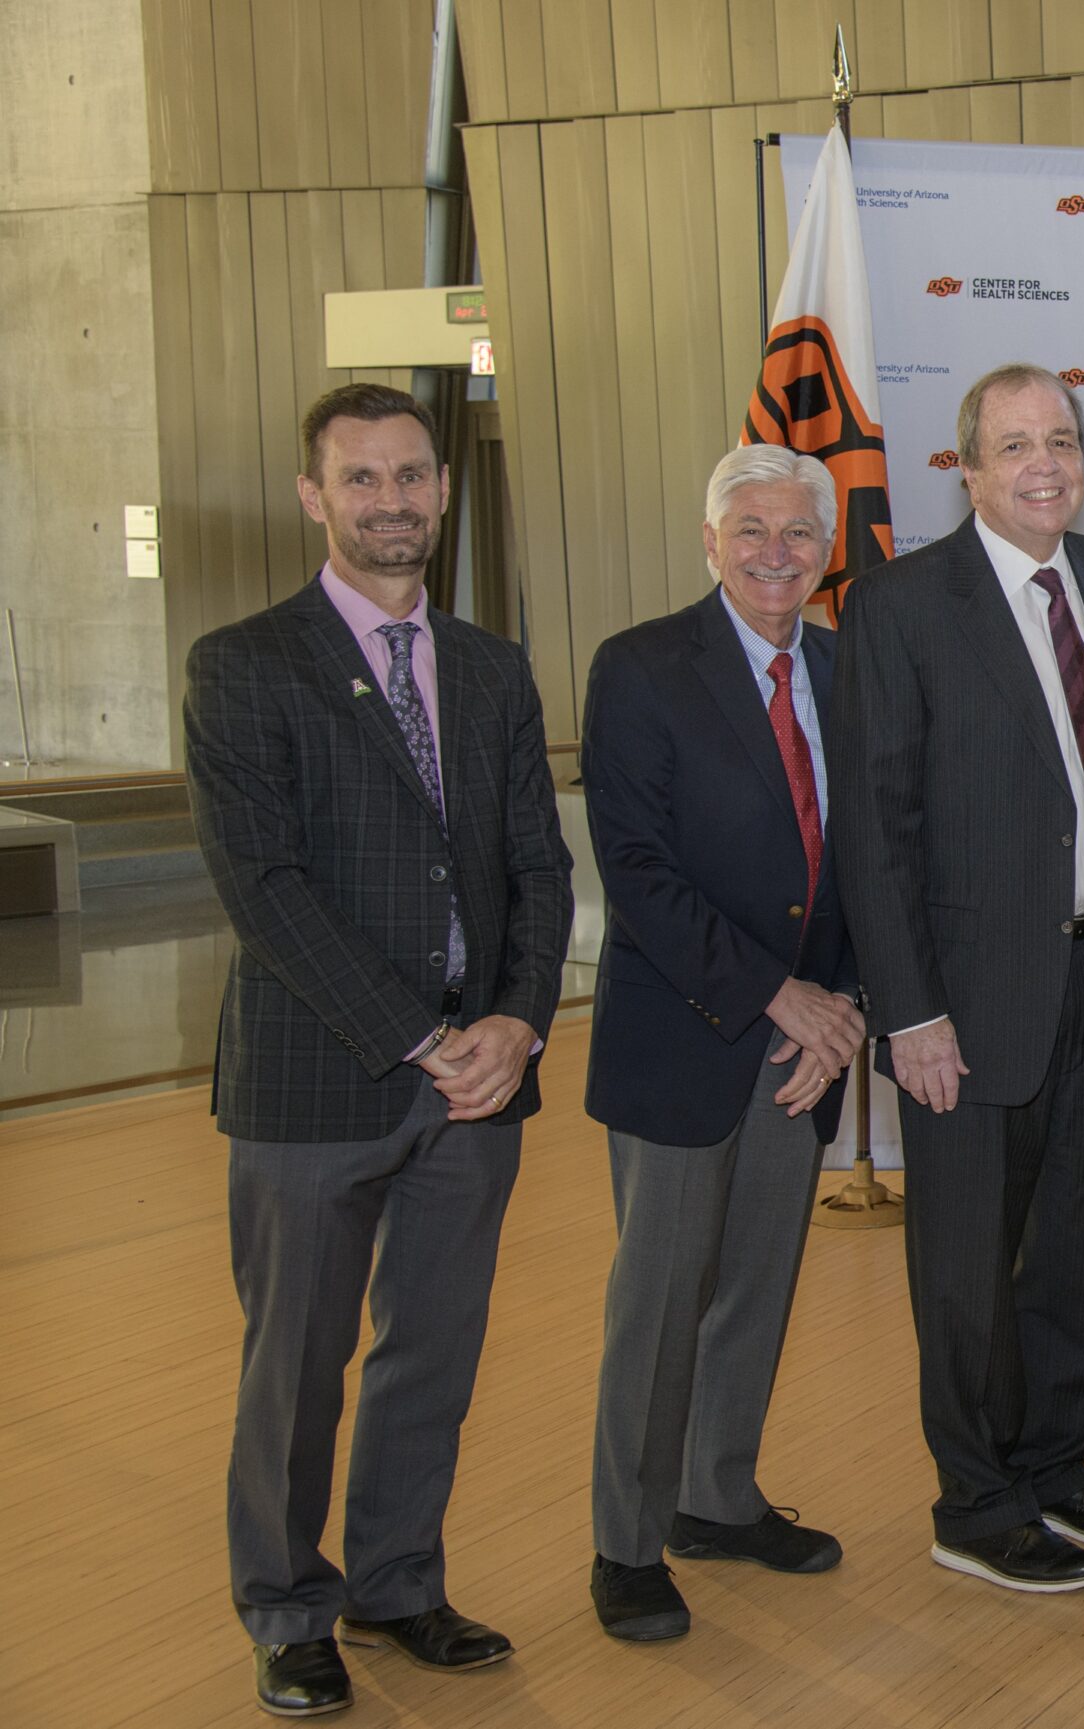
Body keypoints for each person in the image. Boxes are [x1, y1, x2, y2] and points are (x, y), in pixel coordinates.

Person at [184, 383, 573, 1718]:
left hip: (480, 1088)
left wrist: (518, 1021)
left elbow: (537, 863)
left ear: (443, 491)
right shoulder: (243, 664)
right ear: (315, 496)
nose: (392, 499)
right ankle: (290, 1607)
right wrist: (425, 1038)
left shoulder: (488, 666)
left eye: (413, 476)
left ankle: (399, 1581)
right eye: (362, 479)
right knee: (295, 1364)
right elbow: (266, 888)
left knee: (434, 1351)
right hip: (318, 1084)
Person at [834, 363, 1084, 1594]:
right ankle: (975, 1500)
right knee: (968, 1266)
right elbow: (877, 832)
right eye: (1018, 444)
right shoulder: (900, 603)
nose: (1046, 464)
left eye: (1064, 440)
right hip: (967, 1003)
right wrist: (910, 1011)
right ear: (967, 468)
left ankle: (1059, 1465)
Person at [578, 445, 868, 1642]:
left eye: (799, 533)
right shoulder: (643, 667)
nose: (774, 552)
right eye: (750, 528)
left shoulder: (849, 671)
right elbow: (636, 870)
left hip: (804, 1049)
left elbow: (866, 864)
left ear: (825, 549)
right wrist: (778, 995)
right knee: (657, 1303)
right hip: (686, 1036)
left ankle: (718, 1495)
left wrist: (838, 1005)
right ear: (710, 540)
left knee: (755, 1286)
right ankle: (627, 1544)